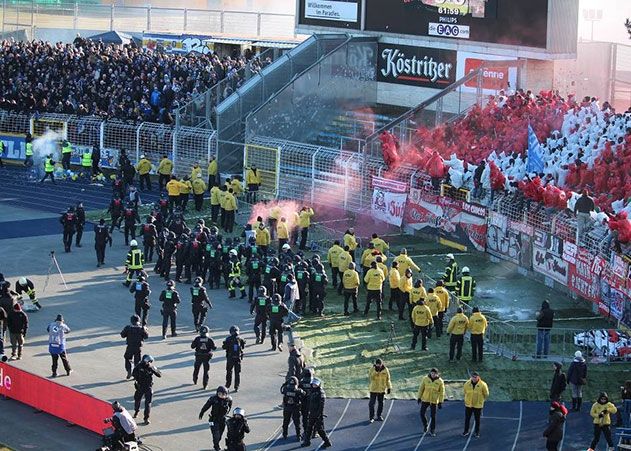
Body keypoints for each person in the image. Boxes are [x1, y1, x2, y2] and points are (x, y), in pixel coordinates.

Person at [199, 386, 233, 451]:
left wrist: (227, 413)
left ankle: (216, 442)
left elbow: (230, 406)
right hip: (213, 419)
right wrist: (202, 412)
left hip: (223, 419)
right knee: (216, 434)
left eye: (224, 394)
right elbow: (207, 405)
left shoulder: (229, 399)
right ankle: (216, 446)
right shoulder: (213, 399)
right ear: (217, 393)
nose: (222, 396)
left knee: (220, 434)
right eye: (220, 394)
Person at [302, 378, 332, 448]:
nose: (314, 385)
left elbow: (321, 405)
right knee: (309, 428)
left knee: (320, 429)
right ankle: (307, 442)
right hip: (312, 413)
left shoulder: (321, 393)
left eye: (315, 384)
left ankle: (327, 442)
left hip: (317, 414)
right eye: (313, 384)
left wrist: (319, 414)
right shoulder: (312, 391)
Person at [132, 354, 162, 425]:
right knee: (141, 401)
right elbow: (134, 374)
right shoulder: (143, 367)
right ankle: (140, 414)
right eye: (149, 361)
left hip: (145, 387)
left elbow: (159, 375)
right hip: (143, 387)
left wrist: (153, 369)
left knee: (144, 402)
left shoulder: (147, 367)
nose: (149, 363)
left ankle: (142, 416)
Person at [417, 368, 445, 436]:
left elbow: (442, 392)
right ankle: (425, 425)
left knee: (433, 416)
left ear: (437, 374)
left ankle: (432, 430)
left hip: (434, 401)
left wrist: (440, 402)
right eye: (432, 373)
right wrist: (419, 397)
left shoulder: (440, 381)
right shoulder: (425, 379)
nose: (433, 375)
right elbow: (421, 388)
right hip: (425, 399)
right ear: (430, 373)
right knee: (422, 413)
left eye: (434, 373)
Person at [462, 372, 489, 438]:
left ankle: (477, 432)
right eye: (473, 377)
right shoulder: (467, 384)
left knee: (477, 420)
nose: (474, 378)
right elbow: (465, 392)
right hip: (469, 405)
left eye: (475, 377)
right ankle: (466, 431)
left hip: (478, 405)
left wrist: (481, 400)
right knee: (467, 419)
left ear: (478, 377)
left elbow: (486, 394)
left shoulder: (483, 384)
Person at [121, 315, 149, 379]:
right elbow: (146, 337)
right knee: (137, 361)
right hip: (138, 347)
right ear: (138, 321)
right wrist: (145, 330)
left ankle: (129, 371)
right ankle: (136, 374)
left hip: (130, 347)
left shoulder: (128, 328)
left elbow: (122, 335)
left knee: (127, 358)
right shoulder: (141, 328)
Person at [191, 325, 217, 389]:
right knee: (206, 371)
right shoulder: (210, 339)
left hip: (198, 356)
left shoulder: (197, 339)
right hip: (206, 357)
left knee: (196, 369)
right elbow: (214, 348)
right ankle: (205, 385)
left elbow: (192, 346)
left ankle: (195, 379)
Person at [281, 376, 306, 441]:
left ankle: (285, 434)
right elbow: (304, 394)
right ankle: (298, 435)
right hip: (294, 408)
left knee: (287, 422)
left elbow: (282, 391)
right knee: (296, 423)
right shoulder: (298, 391)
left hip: (288, 407)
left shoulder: (285, 388)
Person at [223, 325, 246, 392]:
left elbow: (224, 347)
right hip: (238, 358)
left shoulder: (228, 339)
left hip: (230, 358)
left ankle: (227, 385)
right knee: (237, 373)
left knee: (229, 371)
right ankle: (236, 386)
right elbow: (243, 346)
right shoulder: (240, 339)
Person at [368, 358, 392, 423]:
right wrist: (375, 371)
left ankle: (379, 415)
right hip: (373, 389)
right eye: (377, 365)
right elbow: (371, 378)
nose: (379, 366)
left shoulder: (386, 370)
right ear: (375, 364)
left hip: (381, 389)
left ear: (382, 364)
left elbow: (388, 379)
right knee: (371, 403)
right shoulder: (372, 369)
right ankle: (371, 417)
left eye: (380, 365)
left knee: (381, 403)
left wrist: (389, 387)